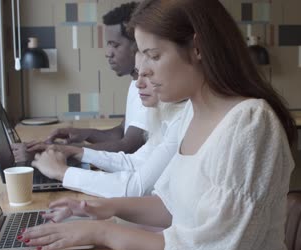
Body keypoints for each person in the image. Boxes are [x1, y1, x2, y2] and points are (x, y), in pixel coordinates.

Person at [19, 0, 296, 250]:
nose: (145, 72)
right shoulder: (192, 112)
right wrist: (104, 209)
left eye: (154, 56)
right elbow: (171, 206)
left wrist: (100, 232)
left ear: (197, 48)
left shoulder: (250, 123)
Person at [31, 52, 186, 198]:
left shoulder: (181, 120)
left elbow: (136, 188)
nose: (138, 84)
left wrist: (61, 172)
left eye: (148, 74)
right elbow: (134, 162)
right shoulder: (168, 114)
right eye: (138, 73)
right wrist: (76, 151)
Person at [12, 2, 147, 163]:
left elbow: (127, 146)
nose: (108, 53)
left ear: (139, 44)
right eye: (108, 44)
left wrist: (56, 151)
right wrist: (84, 133)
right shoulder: (135, 83)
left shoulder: (148, 89)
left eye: (115, 45)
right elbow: (120, 132)